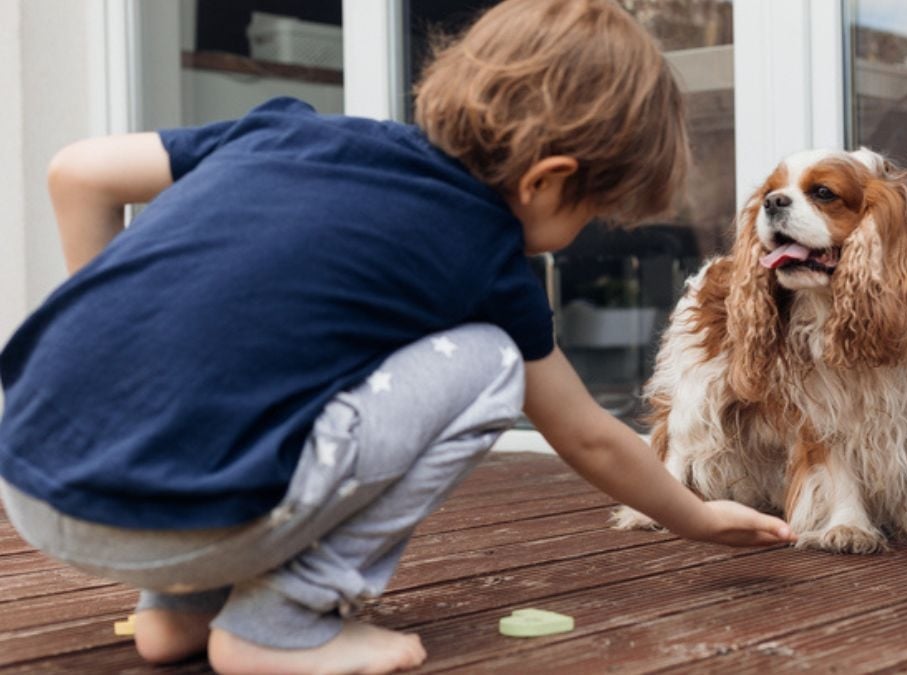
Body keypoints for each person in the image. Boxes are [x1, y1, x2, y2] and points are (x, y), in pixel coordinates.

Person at [0, 1, 795, 673]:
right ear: (547, 179)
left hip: (34, 476)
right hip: (168, 518)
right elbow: (587, 435)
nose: (581, 232)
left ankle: (177, 610)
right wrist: (695, 515)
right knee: (488, 363)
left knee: (258, 369)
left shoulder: (287, 131)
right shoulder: (484, 251)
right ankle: (278, 625)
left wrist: (109, 341)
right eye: (590, 212)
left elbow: (78, 171)